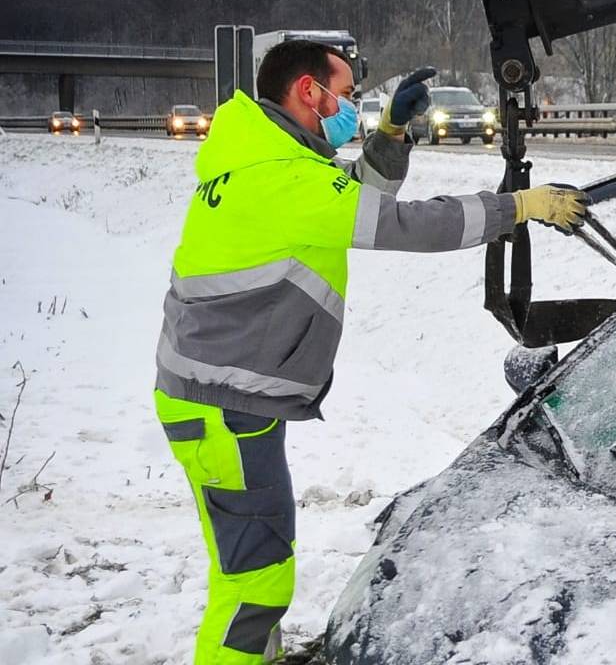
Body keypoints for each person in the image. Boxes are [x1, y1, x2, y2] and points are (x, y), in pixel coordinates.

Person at [151, 39, 588, 664]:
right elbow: (403, 223)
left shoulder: (261, 160)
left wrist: (390, 132)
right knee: (255, 582)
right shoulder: (282, 180)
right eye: (348, 94)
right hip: (226, 411)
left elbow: (353, 193)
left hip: (217, 401)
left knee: (248, 570)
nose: (350, 105)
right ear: (309, 90)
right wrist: (518, 207)